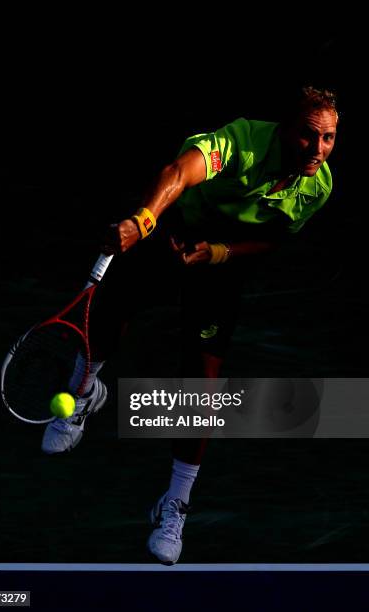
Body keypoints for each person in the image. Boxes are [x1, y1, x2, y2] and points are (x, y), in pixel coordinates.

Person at [41, 86, 338, 564]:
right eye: (308, 136)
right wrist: (143, 221)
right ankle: (85, 391)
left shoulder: (317, 185)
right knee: (112, 309)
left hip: (221, 259)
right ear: (285, 130)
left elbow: (276, 239)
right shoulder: (241, 141)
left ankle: (174, 502)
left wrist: (221, 254)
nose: (318, 149)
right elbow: (180, 173)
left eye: (328, 139)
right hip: (175, 227)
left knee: (201, 380)